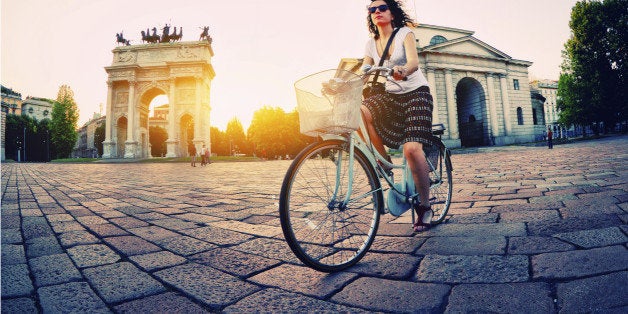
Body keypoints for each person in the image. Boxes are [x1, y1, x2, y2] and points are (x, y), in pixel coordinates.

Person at [361, 0, 437, 232]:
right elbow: (364, 71)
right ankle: (384, 163)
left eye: (382, 8)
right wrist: (342, 83)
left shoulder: (405, 33)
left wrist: (404, 69)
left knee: (412, 150)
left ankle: (425, 206)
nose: (377, 12)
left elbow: (413, 61)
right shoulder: (371, 44)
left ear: (392, 13)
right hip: (392, 97)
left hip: (416, 94)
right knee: (359, 111)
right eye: (372, 10)